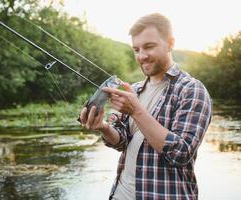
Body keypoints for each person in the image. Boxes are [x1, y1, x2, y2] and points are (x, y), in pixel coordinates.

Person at [79, 13, 212, 200]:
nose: (141, 56)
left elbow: (180, 154)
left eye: (149, 47)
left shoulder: (192, 90)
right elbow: (122, 140)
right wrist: (103, 127)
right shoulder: (134, 89)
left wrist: (136, 110)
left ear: (170, 43)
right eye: (136, 49)